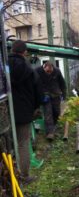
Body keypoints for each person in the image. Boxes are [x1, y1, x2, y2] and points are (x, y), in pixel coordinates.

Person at [8, 40, 42, 183]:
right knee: (23, 143)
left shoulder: (4, 65)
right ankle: (24, 175)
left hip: (5, 112)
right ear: (24, 52)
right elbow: (37, 91)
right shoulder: (28, 69)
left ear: (11, 50)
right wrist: (35, 107)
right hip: (23, 112)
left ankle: (8, 175)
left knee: (6, 144)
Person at [36, 61, 66, 140]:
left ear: (53, 68)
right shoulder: (38, 71)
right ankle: (50, 133)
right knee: (48, 113)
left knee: (56, 112)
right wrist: (40, 96)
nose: (49, 73)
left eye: (50, 71)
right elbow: (35, 85)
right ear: (44, 67)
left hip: (56, 94)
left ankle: (54, 126)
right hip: (45, 95)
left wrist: (64, 95)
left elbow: (62, 83)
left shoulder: (57, 71)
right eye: (47, 71)